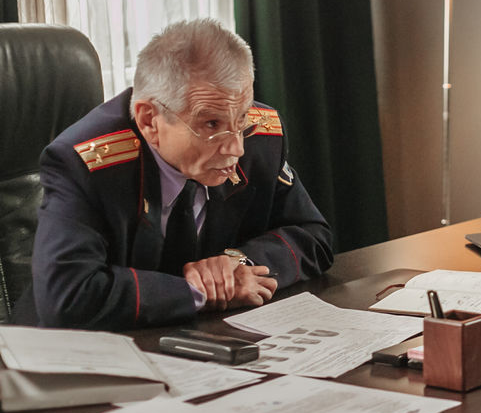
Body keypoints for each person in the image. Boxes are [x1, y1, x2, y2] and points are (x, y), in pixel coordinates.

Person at [29, 18, 333, 330]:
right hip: (86, 350)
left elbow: (314, 235)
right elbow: (67, 296)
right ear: (150, 121)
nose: (236, 148)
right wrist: (198, 292)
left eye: (241, 117)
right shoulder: (86, 164)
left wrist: (237, 262)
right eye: (211, 124)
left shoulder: (259, 135)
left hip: (205, 338)